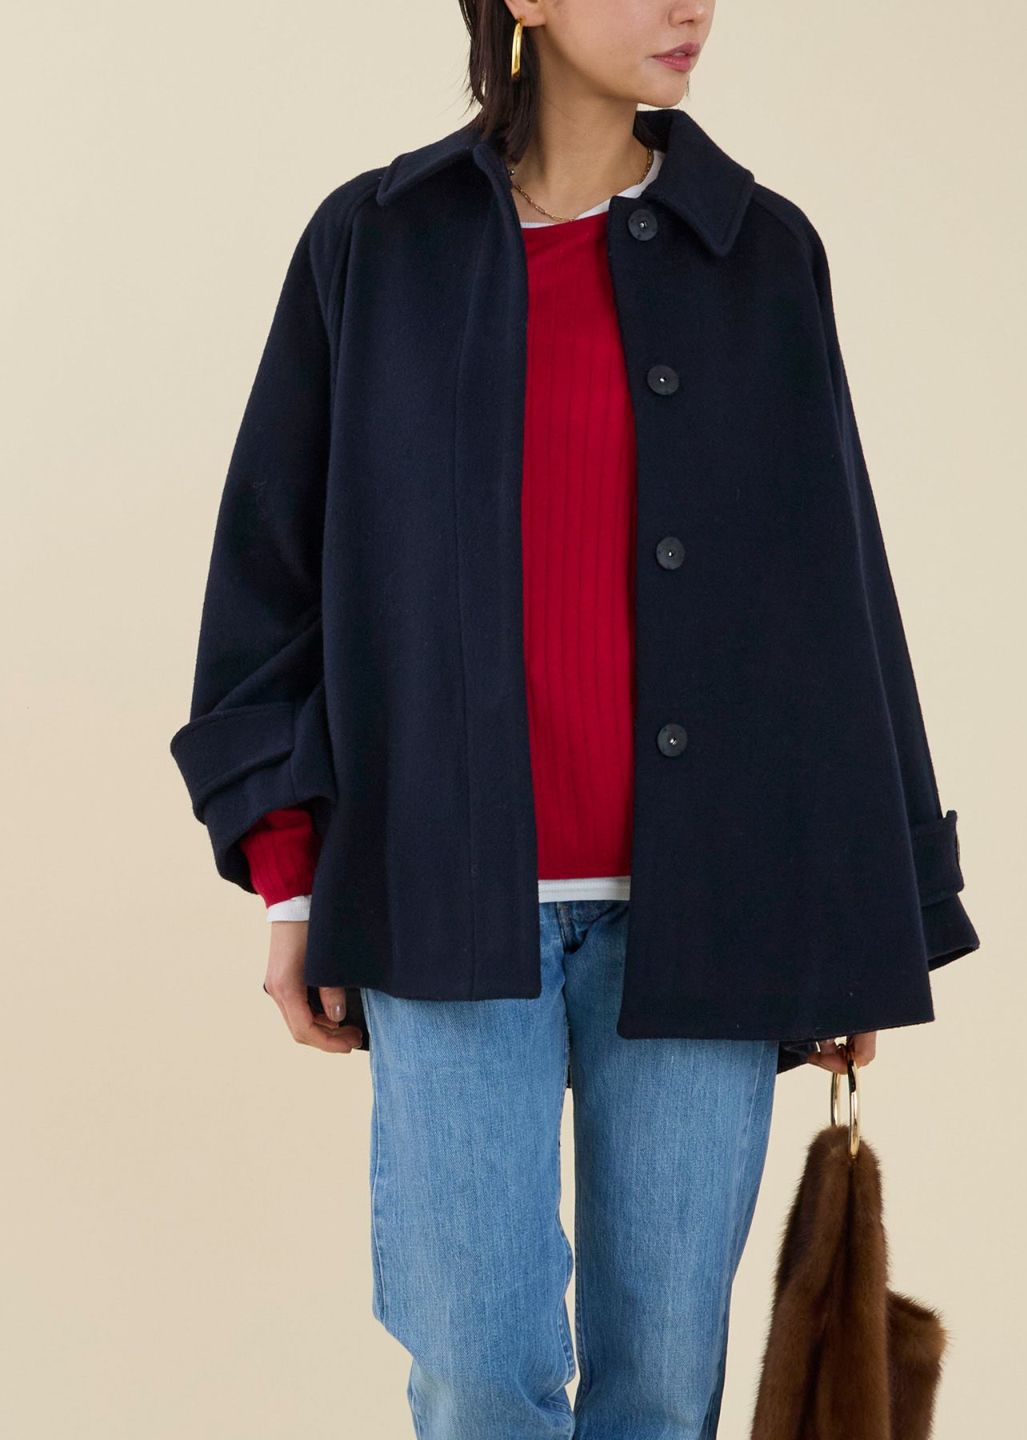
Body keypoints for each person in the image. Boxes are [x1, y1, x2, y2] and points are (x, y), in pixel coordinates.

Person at [170, 2, 979, 1434]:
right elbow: (272, 576)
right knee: (479, 1371)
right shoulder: (377, 245)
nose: (691, 6)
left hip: (707, 912)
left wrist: (863, 915)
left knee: (662, 1385)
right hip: (439, 896)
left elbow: (832, 592)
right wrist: (289, 878)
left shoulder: (761, 253)